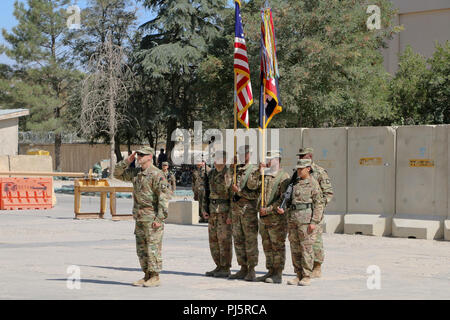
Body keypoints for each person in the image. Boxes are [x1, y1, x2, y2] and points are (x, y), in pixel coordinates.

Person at [113, 146, 171, 287]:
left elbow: (164, 198)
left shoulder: (157, 175)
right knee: (141, 249)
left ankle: (155, 276)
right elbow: (116, 173)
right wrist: (127, 161)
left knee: (153, 248)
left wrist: (159, 218)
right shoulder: (136, 173)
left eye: (142, 155)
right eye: (138, 154)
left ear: (150, 157)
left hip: (152, 218)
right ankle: (146, 275)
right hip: (139, 217)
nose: (139, 157)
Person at [281, 158, 324, 286]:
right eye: (297, 168)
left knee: (306, 249)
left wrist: (314, 222)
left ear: (308, 169)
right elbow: (289, 201)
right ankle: (298, 274)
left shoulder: (313, 183)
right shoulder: (294, 184)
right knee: (295, 249)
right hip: (293, 220)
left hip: (306, 222)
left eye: (301, 168)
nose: (299, 171)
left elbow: (318, 205)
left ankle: (306, 275)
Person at [297, 147, 334, 278]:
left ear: (310, 157)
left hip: (314, 213)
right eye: (300, 156)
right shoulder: (298, 171)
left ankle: (317, 266)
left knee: (316, 240)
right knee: (303, 241)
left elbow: (328, 193)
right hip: (301, 214)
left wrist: (318, 208)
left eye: (304, 156)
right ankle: (305, 267)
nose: (301, 158)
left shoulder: (319, 172)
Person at [256, 150, 290, 284]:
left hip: (277, 219)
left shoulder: (283, 177)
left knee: (277, 247)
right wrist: (259, 172)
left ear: (277, 160)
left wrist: (268, 209)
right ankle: (270, 270)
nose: (268, 161)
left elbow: (283, 199)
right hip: (264, 219)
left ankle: (278, 273)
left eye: (270, 159)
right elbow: (255, 189)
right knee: (267, 246)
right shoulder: (266, 175)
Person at [229, 145, 260, 281]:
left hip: (249, 212)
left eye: (244, 154)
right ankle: (242, 267)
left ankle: (252, 269)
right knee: (238, 241)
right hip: (236, 212)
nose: (241, 156)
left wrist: (240, 192)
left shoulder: (254, 171)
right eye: (239, 154)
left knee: (250, 241)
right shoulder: (235, 170)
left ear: (249, 154)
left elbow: (256, 193)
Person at [202, 150, 233, 278]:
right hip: (213, 210)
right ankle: (218, 265)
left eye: (218, 159)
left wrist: (231, 214)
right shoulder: (211, 174)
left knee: (224, 241)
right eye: (215, 158)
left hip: (224, 211)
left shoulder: (229, 174)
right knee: (213, 240)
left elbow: (232, 196)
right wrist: (204, 209)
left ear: (224, 160)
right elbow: (206, 192)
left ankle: (225, 267)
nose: (215, 161)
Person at [192, 157, 211, 222]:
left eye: (198, 162)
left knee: (204, 203)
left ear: (203, 162)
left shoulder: (208, 170)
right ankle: (201, 216)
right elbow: (193, 181)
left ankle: (206, 217)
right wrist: (194, 189)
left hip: (205, 190)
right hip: (197, 190)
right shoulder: (196, 170)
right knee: (199, 203)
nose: (197, 163)